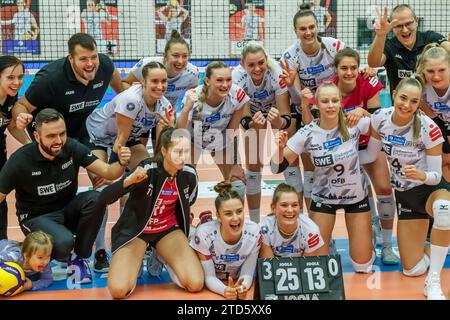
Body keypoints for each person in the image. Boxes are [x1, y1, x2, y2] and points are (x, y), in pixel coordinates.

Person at [0, 108, 131, 284]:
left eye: (62, 133)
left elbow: (108, 172)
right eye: (51, 136)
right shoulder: (20, 161)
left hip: (67, 209)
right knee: (63, 243)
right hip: (36, 217)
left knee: (96, 198)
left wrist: (121, 162)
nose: (58, 140)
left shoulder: (71, 147)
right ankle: (32, 254)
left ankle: (78, 258)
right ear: (37, 137)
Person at [359, 77, 450, 300]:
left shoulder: (429, 128)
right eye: (403, 98)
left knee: (445, 210)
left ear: (419, 103)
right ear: (394, 94)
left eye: (413, 101)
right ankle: (434, 249)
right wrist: (340, 157)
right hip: (406, 196)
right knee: (412, 268)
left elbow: (436, 175)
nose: (407, 105)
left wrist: (421, 175)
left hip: (430, 188)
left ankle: (434, 282)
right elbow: (370, 154)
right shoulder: (380, 119)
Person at [271, 82, 375, 274]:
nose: (330, 105)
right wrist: (279, 149)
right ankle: (327, 242)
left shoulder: (353, 123)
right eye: (325, 101)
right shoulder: (308, 132)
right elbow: (276, 166)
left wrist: (364, 112)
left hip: (356, 197)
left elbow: (384, 125)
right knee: (317, 264)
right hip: (323, 198)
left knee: (363, 265)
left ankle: (369, 237)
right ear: (316, 105)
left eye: (335, 101)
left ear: (341, 103)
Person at [85, 61, 173, 272]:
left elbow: (162, 149)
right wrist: (113, 172)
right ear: (142, 81)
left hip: (127, 140)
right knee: (101, 188)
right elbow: (119, 143)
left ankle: (129, 239)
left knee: (145, 176)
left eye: (163, 81)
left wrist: (170, 128)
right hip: (98, 137)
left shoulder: (164, 105)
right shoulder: (131, 100)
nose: (160, 86)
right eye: (154, 81)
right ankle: (99, 250)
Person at [98, 126, 203, 299]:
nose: (183, 157)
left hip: (167, 231)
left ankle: (162, 256)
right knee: (117, 290)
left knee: (195, 284)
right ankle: (136, 260)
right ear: (164, 150)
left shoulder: (189, 174)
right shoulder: (147, 169)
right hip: (137, 231)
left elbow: (188, 200)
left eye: (186, 151)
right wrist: (127, 182)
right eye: (177, 152)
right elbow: (104, 198)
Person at [322, 47, 399, 264]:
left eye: (353, 67)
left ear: (359, 68)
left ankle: (386, 245)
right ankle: (365, 227)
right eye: (344, 68)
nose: (349, 72)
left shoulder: (369, 82)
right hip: (344, 149)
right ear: (336, 69)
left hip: (369, 143)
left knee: (384, 187)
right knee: (355, 192)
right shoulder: (328, 89)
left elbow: (377, 119)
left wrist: (363, 113)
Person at [280, 8, 346, 212]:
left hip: (328, 109)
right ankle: (295, 215)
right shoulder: (290, 55)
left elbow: (349, 69)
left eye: (311, 27)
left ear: (318, 27)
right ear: (295, 31)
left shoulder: (334, 46)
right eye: (302, 29)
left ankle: (311, 218)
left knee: (312, 169)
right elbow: (298, 96)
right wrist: (294, 86)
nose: (308, 32)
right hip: (301, 109)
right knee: (290, 164)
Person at [14, 32, 124, 139]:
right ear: (71, 58)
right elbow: (21, 105)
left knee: (96, 156)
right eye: (83, 59)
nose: (90, 64)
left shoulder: (105, 65)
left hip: (85, 125)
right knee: (63, 156)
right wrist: (21, 117)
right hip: (51, 131)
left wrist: (128, 93)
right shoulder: (49, 79)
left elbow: (116, 78)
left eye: (94, 57)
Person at [233, 41, 291, 223]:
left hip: (275, 114)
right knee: (253, 166)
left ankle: (296, 217)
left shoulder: (276, 74)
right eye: (251, 65)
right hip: (253, 117)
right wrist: (253, 125)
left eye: (261, 63)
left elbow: (286, 116)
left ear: (266, 60)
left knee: (284, 163)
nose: (257, 69)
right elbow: (244, 118)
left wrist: (278, 122)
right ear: (243, 65)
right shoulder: (237, 77)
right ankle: (255, 222)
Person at [177, 61, 249, 201]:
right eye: (220, 80)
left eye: (228, 80)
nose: (225, 85)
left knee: (238, 183)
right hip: (192, 140)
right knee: (184, 182)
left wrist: (234, 165)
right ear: (207, 81)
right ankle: (185, 220)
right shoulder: (193, 96)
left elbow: (232, 131)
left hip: (221, 138)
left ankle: (232, 219)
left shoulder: (238, 94)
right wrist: (186, 110)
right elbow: (179, 132)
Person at [190, 181, 261, 300]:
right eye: (228, 213)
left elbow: (247, 273)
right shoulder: (204, 235)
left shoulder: (254, 233)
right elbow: (209, 277)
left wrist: (242, 288)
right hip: (202, 236)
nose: (235, 218)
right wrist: (224, 291)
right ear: (218, 216)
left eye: (239, 211)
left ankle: (205, 221)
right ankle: (193, 226)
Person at [367, 4, 450, 96]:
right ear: (392, 28)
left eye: (408, 23)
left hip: (431, 106)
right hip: (403, 107)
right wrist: (380, 35)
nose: (405, 30)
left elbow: (447, 47)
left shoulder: (430, 38)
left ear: (416, 21)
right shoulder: (389, 46)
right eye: (399, 26)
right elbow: (373, 63)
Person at [122, 30, 198, 111]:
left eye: (185, 56)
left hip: (168, 114)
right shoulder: (146, 65)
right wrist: (134, 91)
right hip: (140, 112)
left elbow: (193, 95)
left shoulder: (192, 73)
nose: (180, 61)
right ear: (165, 56)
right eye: (175, 56)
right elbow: (124, 83)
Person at [0, 56, 30, 240]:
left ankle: (1, 244)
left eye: (20, 77)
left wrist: (29, 145)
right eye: (10, 77)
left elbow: (11, 126)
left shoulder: (10, 98)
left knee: (1, 200)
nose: (16, 82)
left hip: (0, 152)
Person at [259, 183, 324, 258]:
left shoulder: (311, 231)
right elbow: (269, 265)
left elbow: (307, 266)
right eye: (284, 205)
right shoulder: (264, 230)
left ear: (299, 207)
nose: (290, 210)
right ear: (273, 208)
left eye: (294, 205)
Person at [416, 44, 450, 181]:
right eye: (430, 71)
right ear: (423, 70)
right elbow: (434, 118)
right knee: (444, 161)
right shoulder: (419, 85)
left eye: (442, 70)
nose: (436, 76)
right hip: (436, 125)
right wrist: (446, 149)